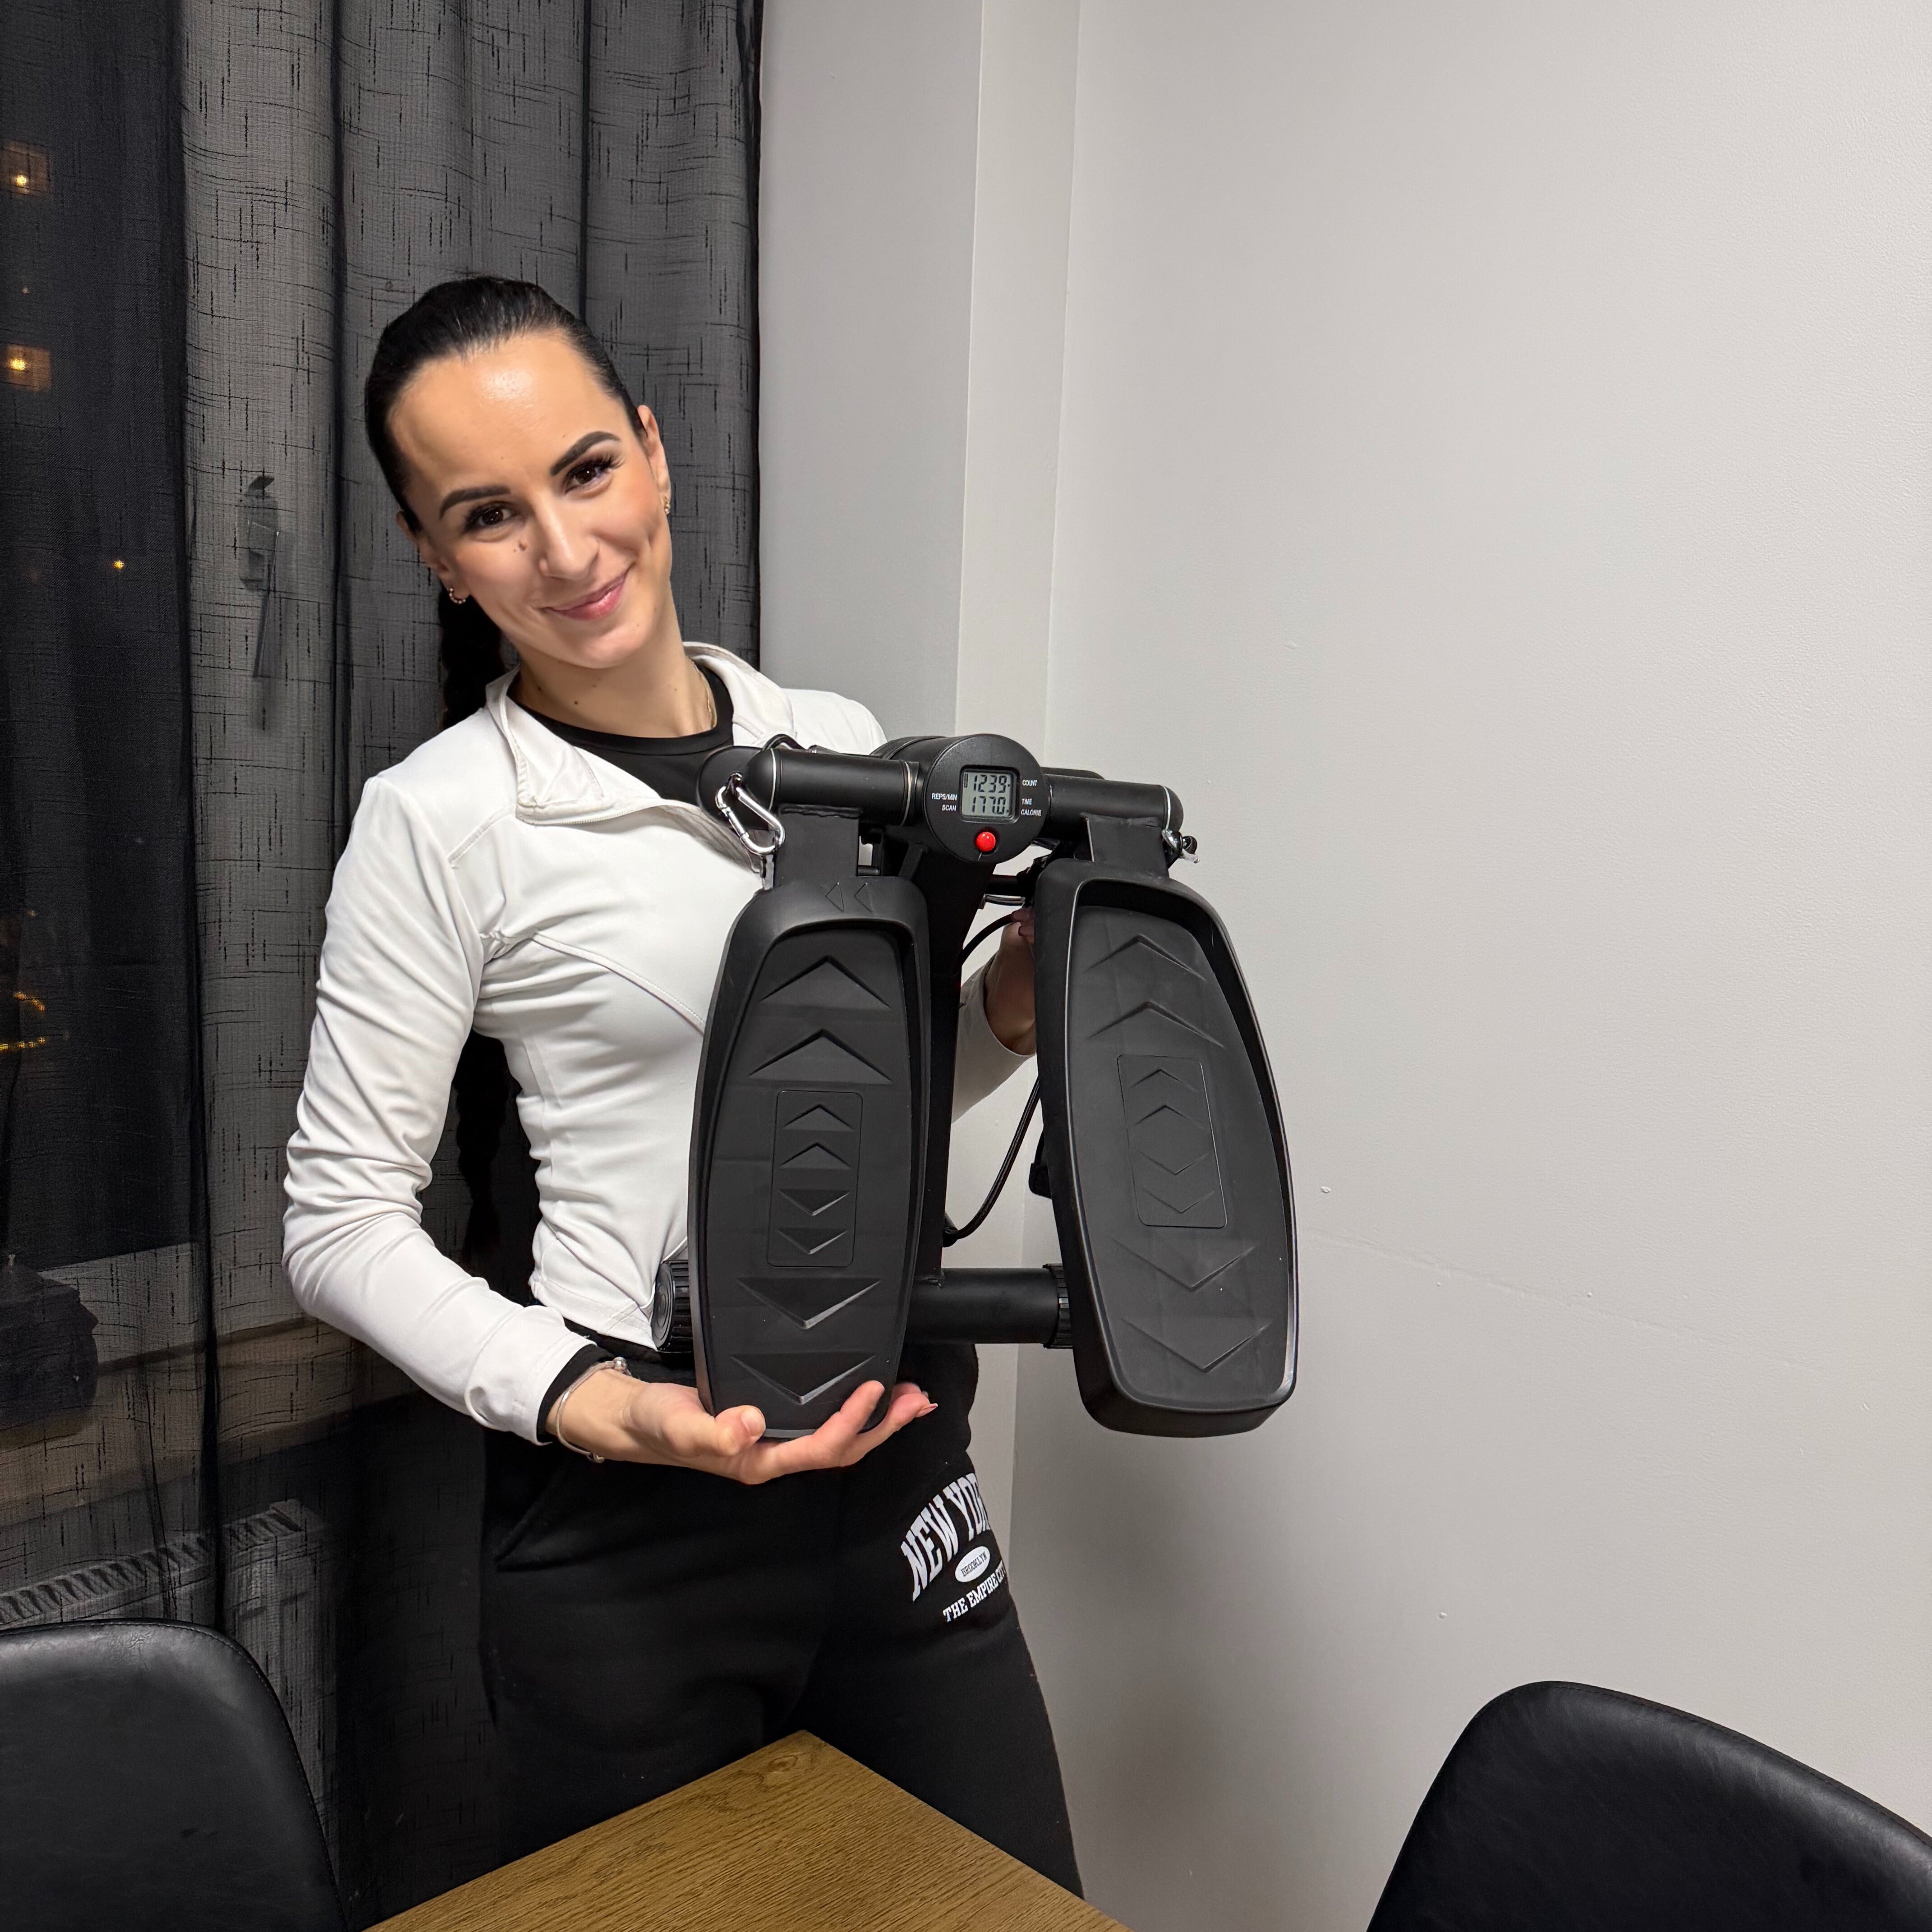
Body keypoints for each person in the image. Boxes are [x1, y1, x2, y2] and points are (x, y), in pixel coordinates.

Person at [281, 276, 1080, 1889]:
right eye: (488, 514)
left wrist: (1013, 1003)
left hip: (893, 1455)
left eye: (585, 471)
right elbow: (337, 1223)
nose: (564, 549)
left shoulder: (836, 744)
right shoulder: (441, 821)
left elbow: (874, 1114)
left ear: (651, 454)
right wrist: (603, 1403)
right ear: (435, 554)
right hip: (632, 1523)